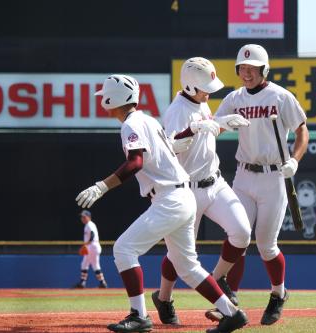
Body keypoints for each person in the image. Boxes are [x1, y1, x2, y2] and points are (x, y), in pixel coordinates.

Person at [75, 74, 248, 333]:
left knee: (124, 249)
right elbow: (171, 146)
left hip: (169, 199)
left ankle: (139, 316)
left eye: (105, 96)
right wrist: (200, 127)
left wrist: (102, 186)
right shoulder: (146, 120)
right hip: (183, 195)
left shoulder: (131, 125)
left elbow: (136, 162)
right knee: (187, 266)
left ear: (113, 99)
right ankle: (230, 312)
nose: (103, 100)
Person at [212, 44, 309, 325]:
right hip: (243, 175)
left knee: (266, 245)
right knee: (237, 236)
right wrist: (207, 128)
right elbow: (216, 128)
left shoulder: (280, 96)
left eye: (251, 68)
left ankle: (278, 294)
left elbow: (302, 129)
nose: (246, 73)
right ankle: (229, 301)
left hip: (274, 176)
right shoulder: (233, 98)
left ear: (264, 69)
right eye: (242, 68)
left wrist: (295, 159)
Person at [153, 57, 252, 325]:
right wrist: (194, 129)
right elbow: (168, 148)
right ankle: (164, 298)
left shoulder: (200, 101)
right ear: (188, 86)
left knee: (242, 232)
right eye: (204, 87)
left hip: (215, 182)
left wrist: (222, 122)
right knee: (179, 255)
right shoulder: (177, 110)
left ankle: (218, 277)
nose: (209, 92)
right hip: (188, 190)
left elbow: (206, 133)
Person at [73, 210, 107, 289]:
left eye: (84, 217)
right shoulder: (88, 225)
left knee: (93, 265)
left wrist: (87, 243)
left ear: (89, 217)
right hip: (92, 247)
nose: (82, 218)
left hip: (92, 246)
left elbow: (92, 234)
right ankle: (84, 282)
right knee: (85, 264)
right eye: (82, 217)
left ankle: (101, 283)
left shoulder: (89, 224)